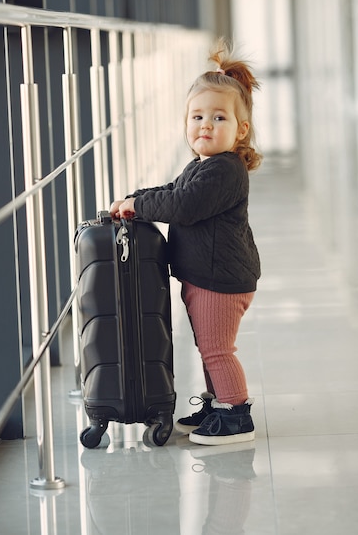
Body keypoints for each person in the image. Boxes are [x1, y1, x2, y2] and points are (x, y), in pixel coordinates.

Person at [110, 38, 262, 446]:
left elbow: (184, 204)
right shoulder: (203, 164)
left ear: (240, 130)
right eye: (197, 117)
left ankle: (236, 413)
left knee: (216, 349)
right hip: (206, 275)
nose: (206, 125)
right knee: (208, 344)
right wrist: (136, 198)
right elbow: (172, 189)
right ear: (185, 124)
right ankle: (218, 404)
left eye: (218, 118)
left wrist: (139, 205)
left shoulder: (225, 171)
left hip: (220, 279)